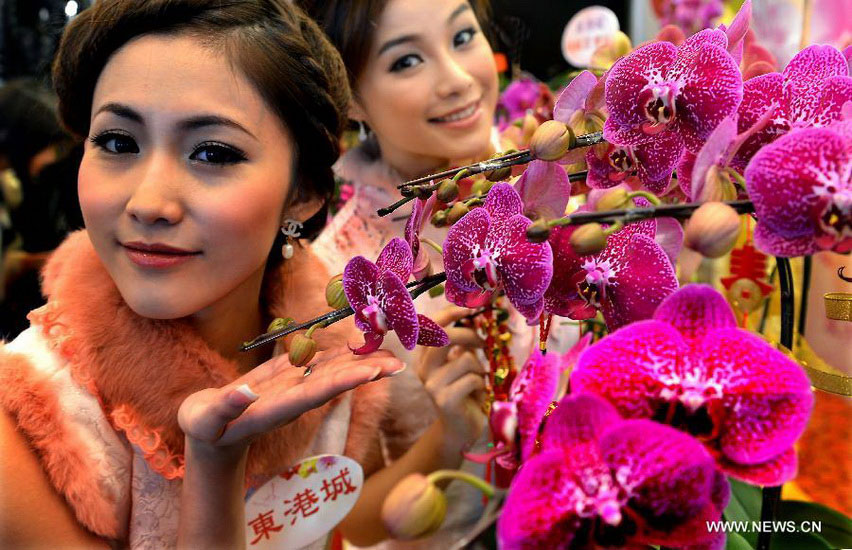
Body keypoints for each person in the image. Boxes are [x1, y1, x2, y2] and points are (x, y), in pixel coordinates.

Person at [0, 1, 486, 548]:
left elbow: (337, 522)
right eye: (118, 143)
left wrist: (454, 435)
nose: (148, 202)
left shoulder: (331, 353)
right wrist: (214, 466)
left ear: (301, 194)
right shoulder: (25, 421)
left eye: (211, 152)